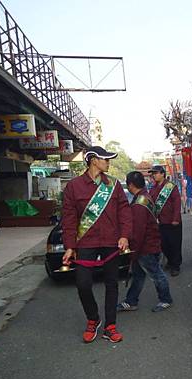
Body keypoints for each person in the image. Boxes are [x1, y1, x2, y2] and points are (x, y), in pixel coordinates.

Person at [61, 145, 132, 344]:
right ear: (93, 160)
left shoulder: (114, 185)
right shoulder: (74, 186)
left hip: (111, 241)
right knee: (82, 283)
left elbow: (124, 212)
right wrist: (70, 245)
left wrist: (125, 235)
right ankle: (93, 319)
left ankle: (110, 325)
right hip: (86, 242)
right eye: (105, 159)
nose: (108, 163)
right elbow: (69, 218)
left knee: (111, 284)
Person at [117, 171, 174, 313]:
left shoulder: (139, 203)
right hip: (148, 243)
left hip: (145, 246)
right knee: (138, 275)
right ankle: (131, 301)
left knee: (156, 274)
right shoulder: (144, 197)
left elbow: (139, 230)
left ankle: (166, 299)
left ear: (130, 185)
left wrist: (133, 249)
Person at [148, 165, 182, 277]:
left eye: (156, 173)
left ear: (162, 173)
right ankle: (171, 261)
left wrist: (176, 218)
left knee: (174, 244)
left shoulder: (171, 187)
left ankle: (175, 266)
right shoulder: (152, 188)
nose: (154, 175)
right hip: (160, 221)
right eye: (153, 173)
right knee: (163, 245)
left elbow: (177, 203)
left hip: (172, 221)